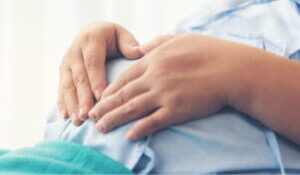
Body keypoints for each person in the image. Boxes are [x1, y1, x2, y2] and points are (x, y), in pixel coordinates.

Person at [1, 0, 300, 174]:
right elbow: (182, 79)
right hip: (41, 159)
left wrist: (242, 73)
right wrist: (118, 53)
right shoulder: (234, 8)